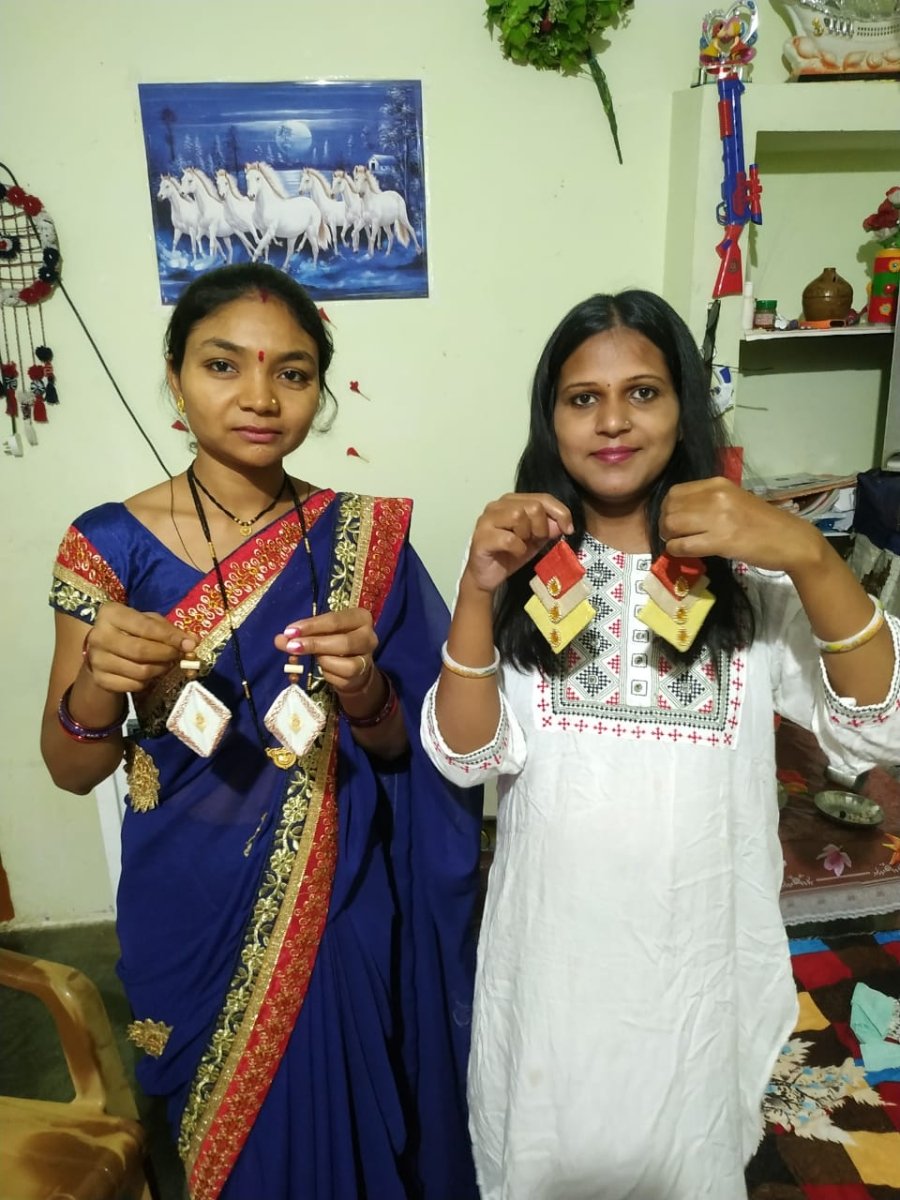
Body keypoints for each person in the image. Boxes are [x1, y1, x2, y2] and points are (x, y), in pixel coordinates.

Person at [419, 289, 900, 1200]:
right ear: (549, 418)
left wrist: (807, 551)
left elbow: (882, 722)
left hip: (698, 973)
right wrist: (478, 593)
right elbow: (467, 755)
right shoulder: (523, 572)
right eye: (581, 397)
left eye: (642, 392)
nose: (612, 420)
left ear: (682, 408)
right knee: (545, 1157)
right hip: (555, 973)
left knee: (689, 1156)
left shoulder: (750, 585)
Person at [41, 262, 482, 1200]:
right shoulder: (105, 545)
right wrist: (94, 689)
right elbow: (69, 768)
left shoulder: (363, 541)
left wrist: (364, 691)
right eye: (223, 365)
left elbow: (415, 751)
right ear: (174, 374)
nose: (258, 397)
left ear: (319, 389)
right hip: (186, 898)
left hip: (334, 897)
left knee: (348, 1137)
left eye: (291, 372)